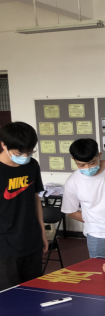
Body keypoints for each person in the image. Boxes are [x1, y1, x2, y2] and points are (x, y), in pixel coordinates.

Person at [0, 122, 48, 291]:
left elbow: (35, 199)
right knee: (10, 295)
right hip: (5, 245)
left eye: (30, 151)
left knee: (34, 291)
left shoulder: (32, 165)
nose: (25, 156)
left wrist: (42, 232)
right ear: (3, 144)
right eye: (19, 152)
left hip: (31, 239)